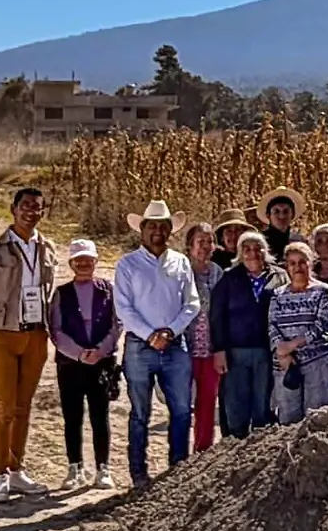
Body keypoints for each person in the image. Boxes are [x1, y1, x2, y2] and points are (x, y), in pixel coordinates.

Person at [0, 187, 57, 503]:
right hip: (3, 335)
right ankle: (0, 474)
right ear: (13, 209)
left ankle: (17, 470)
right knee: (4, 407)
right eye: (25, 206)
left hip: (35, 335)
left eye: (37, 207)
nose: (31, 212)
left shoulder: (47, 248)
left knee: (23, 407)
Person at [114, 200, 199, 489]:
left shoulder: (181, 262)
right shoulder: (128, 264)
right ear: (143, 230)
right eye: (152, 226)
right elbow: (123, 308)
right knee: (140, 412)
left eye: (163, 227)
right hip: (140, 345)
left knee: (181, 409)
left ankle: (178, 466)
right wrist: (151, 335)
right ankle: (139, 471)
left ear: (169, 230)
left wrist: (171, 332)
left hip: (175, 345)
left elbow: (192, 303)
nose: (157, 232)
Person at [48, 239, 120, 490]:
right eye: (78, 260)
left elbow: (115, 325)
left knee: (101, 416)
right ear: (71, 263)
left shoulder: (108, 290)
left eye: (88, 260)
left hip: (101, 362)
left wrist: (100, 351)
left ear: (95, 262)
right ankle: (74, 467)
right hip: (70, 364)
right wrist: (79, 353)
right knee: (73, 417)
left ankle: (103, 468)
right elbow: (55, 330)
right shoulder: (61, 293)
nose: (84, 264)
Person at [210, 231, 288, 438]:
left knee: (264, 402)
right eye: (247, 249)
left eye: (257, 248)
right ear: (239, 253)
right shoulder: (229, 277)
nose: (252, 253)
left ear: (266, 251)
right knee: (237, 403)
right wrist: (219, 349)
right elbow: (217, 316)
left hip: (267, 350)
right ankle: (236, 447)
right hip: (236, 351)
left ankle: (260, 450)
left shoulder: (280, 276)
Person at [268, 243, 328, 424]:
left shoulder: (322, 291)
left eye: (302, 262)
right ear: (287, 267)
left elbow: (321, 324)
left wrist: (292, 345)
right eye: (292, 263)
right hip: (286, 364)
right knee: (288, 417)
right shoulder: (278, 294)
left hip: (317, 362)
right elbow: (272, 324)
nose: (298, 267)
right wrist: (282, 351)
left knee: (317, 417)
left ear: (311, 263)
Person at [183, 223, 224, 451]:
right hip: (184, 347)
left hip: (210, 348)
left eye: (209, 242)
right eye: (201, 242)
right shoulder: (180, 272)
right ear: (190, 246)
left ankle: (202, 450)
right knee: (181, 404)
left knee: (207, 403)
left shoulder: (218, 273)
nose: (206, 247)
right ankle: (178, 453)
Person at [256, 187, 307, 261]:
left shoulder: (300, 240)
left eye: (286, 211)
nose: (282, 216)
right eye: (276, 211)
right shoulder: (260, 241)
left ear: (292, 215)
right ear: (268, 215)